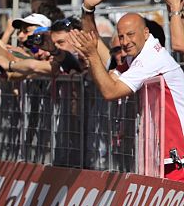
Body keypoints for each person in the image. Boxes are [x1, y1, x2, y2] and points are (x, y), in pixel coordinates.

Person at [69, 14, 184, 182]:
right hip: (164, 148)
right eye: (121, 36)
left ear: (145, 33)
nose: (125, 41)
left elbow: (110, 92)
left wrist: (93, 56)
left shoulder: (151, 58)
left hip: (177, 149)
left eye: (131, 34)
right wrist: (90, 56)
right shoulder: (138, 54)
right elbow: (110, 78)